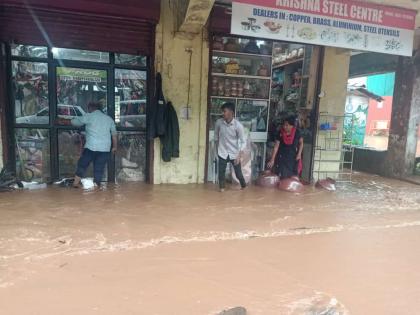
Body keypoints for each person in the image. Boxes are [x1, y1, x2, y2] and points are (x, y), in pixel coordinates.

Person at [60, 102, 117, 189]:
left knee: (82, 164)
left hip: (91, 147)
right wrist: (114, 147)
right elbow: (114, 135)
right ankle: (97, 187)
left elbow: (75, 122)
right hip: (104, 149)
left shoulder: (89, 116)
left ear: (90, 108)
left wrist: (61, 120)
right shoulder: (109, 119)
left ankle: (76, 183)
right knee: (99, 168)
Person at [214, 102, 247, 192]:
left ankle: (244, 186)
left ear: (231, 113)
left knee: (238, 174)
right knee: (221, 173)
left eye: (224, 111)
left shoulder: (238, 126)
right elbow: (216, 137)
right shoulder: (219, 123)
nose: (222, 113)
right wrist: (216, 151)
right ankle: (222, 190)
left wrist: (239, 155)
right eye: (222, 111)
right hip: (222, 152)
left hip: (234, 153)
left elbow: (243, 141)